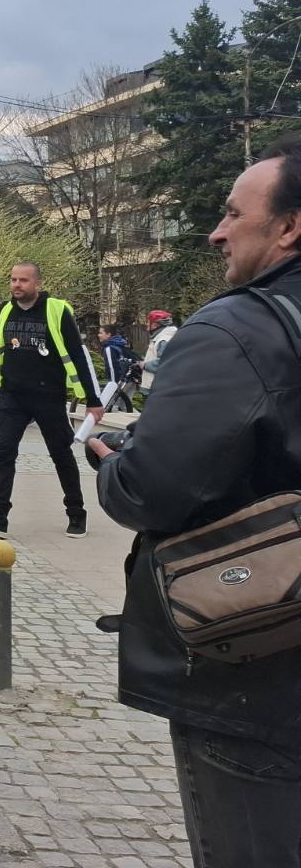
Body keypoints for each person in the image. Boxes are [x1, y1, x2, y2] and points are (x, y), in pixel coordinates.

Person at [91, 134, 301, 865]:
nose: (216, 230)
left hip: (260, 670)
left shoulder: (235, 329)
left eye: (233, 213)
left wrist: (110, 466)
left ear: (289, 226)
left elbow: (151, 487)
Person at [0, 263, 101, 538]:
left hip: (47, 396)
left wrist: (93, 399)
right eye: (13, 279)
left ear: (37, 284)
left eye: (23, 280)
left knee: (61, 454)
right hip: (12, 395)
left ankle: (76, 513)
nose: (17, 285)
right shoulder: (5, 309)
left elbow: (77, 355)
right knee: (3, 450)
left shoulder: (56, 310)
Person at [98, 323, 136, 413]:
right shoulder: (121, 344)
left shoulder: (109, 348)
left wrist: (113, 384)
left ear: (108, 334)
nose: (98, 335)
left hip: (121, 380)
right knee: (125, 408)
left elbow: (112, 367)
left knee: (113, 407)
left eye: (101, 333)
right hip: (131, 379)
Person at [140, 308, 178, 395]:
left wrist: (144, 365)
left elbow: (165, 362)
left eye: (148, 322)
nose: (146, 324)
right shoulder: (161, 337)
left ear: (154, 325)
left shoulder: (163, 339)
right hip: (158, 387)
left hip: (157, 388)